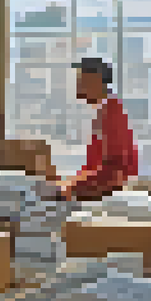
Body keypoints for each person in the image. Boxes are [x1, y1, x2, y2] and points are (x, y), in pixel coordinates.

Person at [57, 57, 138, 201]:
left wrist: (71, 188)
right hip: (99, 188)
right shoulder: (103, 110)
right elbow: (95, 164)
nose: (77, 86)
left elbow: (114, 170)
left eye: (81, 80)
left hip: (109, 195)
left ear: (95, 81)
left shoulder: (112, 114)